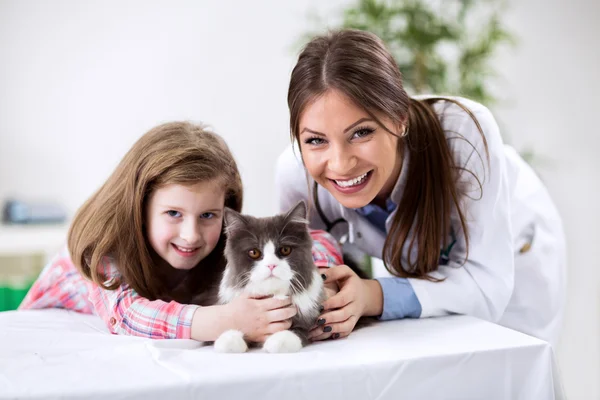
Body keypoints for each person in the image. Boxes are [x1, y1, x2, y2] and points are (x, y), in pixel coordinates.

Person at [276, 29, 566, 347]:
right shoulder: (296, 175)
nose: (341, 164)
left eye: (361, 133)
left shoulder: (466, 132)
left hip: (516, 256)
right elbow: (311, 265)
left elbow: (488, 287)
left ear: (401, 118)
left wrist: (374, 294)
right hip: (414, 269)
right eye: (316, 140)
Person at [20, 121, 343, 343]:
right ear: (139, 208)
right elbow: (127, 315)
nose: (191, 235)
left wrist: (319, 282)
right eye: (173, 213)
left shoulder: (222, 239)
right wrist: (227, 320)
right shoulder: (103, 250)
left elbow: (318, 240)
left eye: (207, 215)